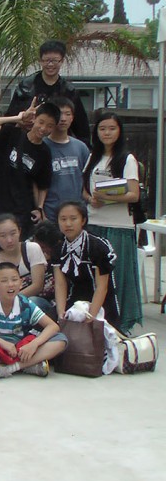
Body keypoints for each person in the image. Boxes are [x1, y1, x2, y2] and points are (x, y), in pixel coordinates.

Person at [82, 112, 142, 332]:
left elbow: (133, 194)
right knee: (95, 275)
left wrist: (106, 199)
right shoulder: (92, 157)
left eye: (111, 128)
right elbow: (85, 191)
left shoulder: (127, 159)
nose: (106, 133)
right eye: (102, 129)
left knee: (118, 274)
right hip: (94, 223)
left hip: (118, 225)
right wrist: (91, 199)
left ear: (119, 131)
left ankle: (123, 322)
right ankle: (97, 319)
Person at [0, 262, 68, 379]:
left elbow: (53, 326)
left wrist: (33, 345)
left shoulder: (24, 303)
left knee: (61, 339)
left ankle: (9, 368)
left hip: (18, 349)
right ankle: (28, 365)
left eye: (14, 280)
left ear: (21, 283)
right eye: (4, 281)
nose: (10, 284)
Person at [0, 100, 57, 235]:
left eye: (49, 126)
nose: (43, 129)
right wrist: (20, 118)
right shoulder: (14, 134)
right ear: (34, 119)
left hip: (21, 210)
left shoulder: (44, 152)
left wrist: (39, 208)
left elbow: (43, 185)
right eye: (41, 122)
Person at [52, 201, 121, 328]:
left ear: (83, 220)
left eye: (73, 219)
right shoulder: (59, 248)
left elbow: (102, 287)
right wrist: (61, 313)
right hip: (75, 301)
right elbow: (60, 284)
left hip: (102, 303)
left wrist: (90, 317)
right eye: (63, 219)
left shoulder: (97, 246)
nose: (68, 224)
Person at [6, 39, 90, 143]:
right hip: (28, 141)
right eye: (46, 60)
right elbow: (9, 119)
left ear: (62, 61)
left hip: (58, 143)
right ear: (40, 61)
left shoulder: (69, 91)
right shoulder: (26, 87)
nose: (50, 65)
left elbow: (81, 126)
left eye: (55, 60)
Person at [0, 214, 51, 317]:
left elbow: (37, 286)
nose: (9, 240)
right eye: (3, 236)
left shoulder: (32, 249)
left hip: (38, 300)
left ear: (19, 231)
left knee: (30, 302)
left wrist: (13, 300)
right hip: (9, 305)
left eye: (13, 233)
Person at [43, 96, 90, 221]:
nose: (63, 119)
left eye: (67, 114)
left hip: (77, 215)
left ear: (72, 117)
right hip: (50, 215)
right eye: (59, 114)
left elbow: (87, 180)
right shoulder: (41, 146)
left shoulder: (81, 147)